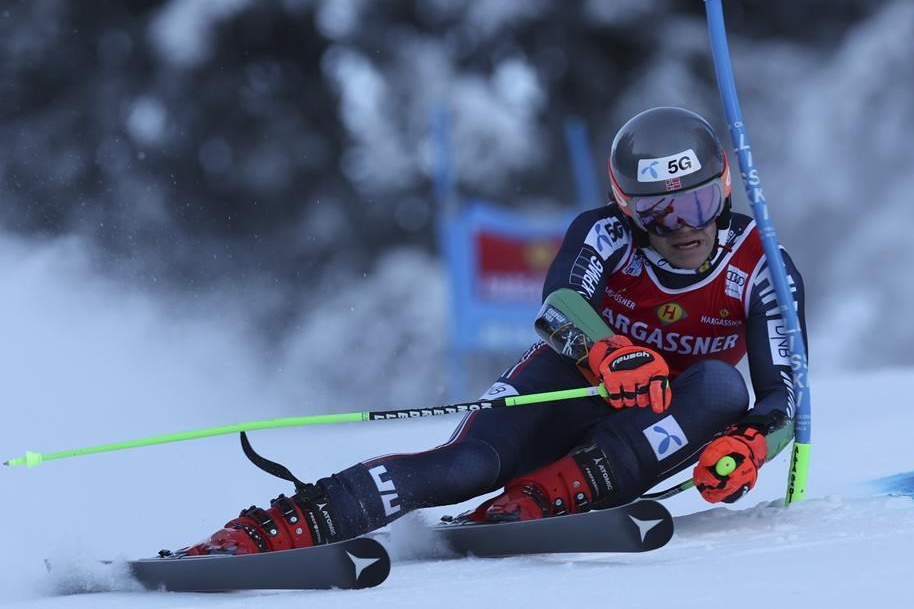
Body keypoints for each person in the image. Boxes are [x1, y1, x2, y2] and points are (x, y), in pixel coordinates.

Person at [180, 106, 807, 556]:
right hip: (576, 385)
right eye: (657, 211)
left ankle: (539, 499)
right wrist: (607, 351)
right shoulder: (605, 234)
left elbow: (783, 397)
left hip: (658, 425)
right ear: (626, 209)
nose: (682, 228)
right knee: (466, 465)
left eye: (697, 203)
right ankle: (283, 525)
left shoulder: (763, 266)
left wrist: (752, 445)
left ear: (724, 190)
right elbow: (561, 301)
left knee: (722, 387)